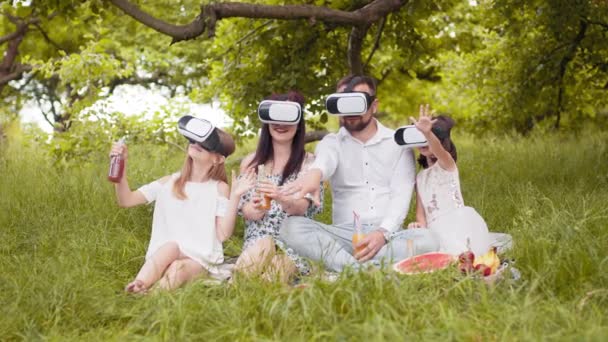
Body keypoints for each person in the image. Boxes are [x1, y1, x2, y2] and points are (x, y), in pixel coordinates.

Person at [280, 75, 439, 272]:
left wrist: (383, 233)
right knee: (290, 227)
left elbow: (401, 194)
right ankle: (364, 270)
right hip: (345, 235)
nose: (350, 110)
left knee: (428, 239)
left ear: (374, 105)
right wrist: (315, 173)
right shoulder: (331, 142)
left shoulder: (397, 143)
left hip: (387, 237)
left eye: (357, 101)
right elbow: (325, 161)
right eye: (343, 102)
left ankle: (346, 265)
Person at [111, 118, 255, 293]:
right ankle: (139, 283)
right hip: (161, 258)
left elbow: (223, 234)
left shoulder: (219, 188)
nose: (197, 144)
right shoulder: (169, 182)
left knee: (179, 268)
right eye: (194, 140)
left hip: (199, 261)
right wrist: (121, 169)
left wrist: (236, 196)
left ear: (218, 159)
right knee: (170, 247)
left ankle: (147, 297)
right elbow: (126, 200)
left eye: (206, 144)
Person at [236, 91, 324, 281]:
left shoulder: (310, 164)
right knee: (265, 243)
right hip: (257, 242)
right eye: (275, 119)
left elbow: (302, 208)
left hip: (294, 246)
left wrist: (280, 197)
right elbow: (246, 212)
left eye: (287, 118)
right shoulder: (251, 162)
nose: (280, 125)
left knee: (274, 272)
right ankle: (233, 288)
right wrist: (255, 208)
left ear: (298, 122)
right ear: (266, 122)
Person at [407, 105, 511, 256]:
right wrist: (418, 225)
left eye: (427, 138)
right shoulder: (420, 177)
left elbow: (438, 151)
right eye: (419, 137)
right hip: (434, 229)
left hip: (457, 223)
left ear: (441, 141)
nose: (423, 142)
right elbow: (421, 213)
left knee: (461, 254)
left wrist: (428, 133)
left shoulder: (447, 163)